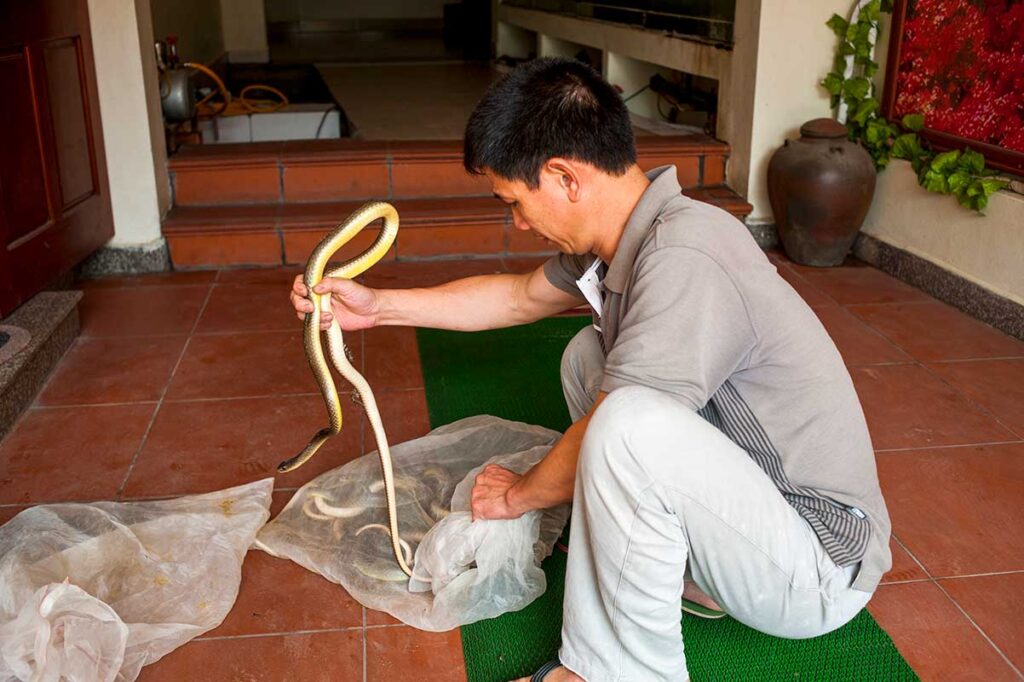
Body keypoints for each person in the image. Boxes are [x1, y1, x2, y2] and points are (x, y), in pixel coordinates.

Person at [290, 57, 891, 682]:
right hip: (759, 528)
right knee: (589, 356)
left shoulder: (686, 255)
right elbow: (518, 297)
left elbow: (618, 426)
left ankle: (615, 673)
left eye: (516, 202)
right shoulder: (623, 239)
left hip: (819, 565)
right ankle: (682, 564)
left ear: (564, 177)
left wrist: (517, 499)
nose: (518, 222)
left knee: (626, 421)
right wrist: (378, 308)